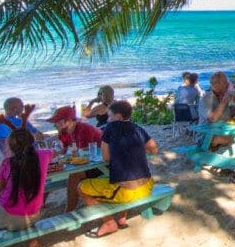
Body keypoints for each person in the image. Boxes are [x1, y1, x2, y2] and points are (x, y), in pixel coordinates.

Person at [79, 100, 158, 238]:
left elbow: (106, 158)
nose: (107, 119)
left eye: (109, 116)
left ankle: (109, 222)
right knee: (115, 177)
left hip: (127, 192)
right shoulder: (138, 128)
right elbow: (154, 149)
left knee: (81, 186)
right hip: (147, 187)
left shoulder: (110, 128)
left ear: (118, 117)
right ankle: (122, 218)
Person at [0, 128, 52, 236]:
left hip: (9, 215)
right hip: (33, 214)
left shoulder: (6, 163)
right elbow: (55, 151)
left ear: (10, 146)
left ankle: (3, 238)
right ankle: (31, 240)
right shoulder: (44, 155)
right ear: (32, 142)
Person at [46, 106, 103, 211]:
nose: (55, 124)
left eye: (58, 121)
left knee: (74, 176)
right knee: (48, 172)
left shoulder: (84, 129)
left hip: (101, 163)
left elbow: (84, 154)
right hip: (88, 161)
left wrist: (64, 159)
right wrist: (46, 158)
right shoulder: (64, 132)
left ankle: (69, 210)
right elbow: (63, 150)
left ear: (69, 121)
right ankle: (39, 206)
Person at [198, 71, 235, 150]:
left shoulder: (223, 96)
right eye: (225, 83)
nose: (228, 85)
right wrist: (224, 102)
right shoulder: (206, 98)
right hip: (207, 136)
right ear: (216, 84)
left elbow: (232, 115)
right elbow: (213, 118)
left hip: (222, 131)